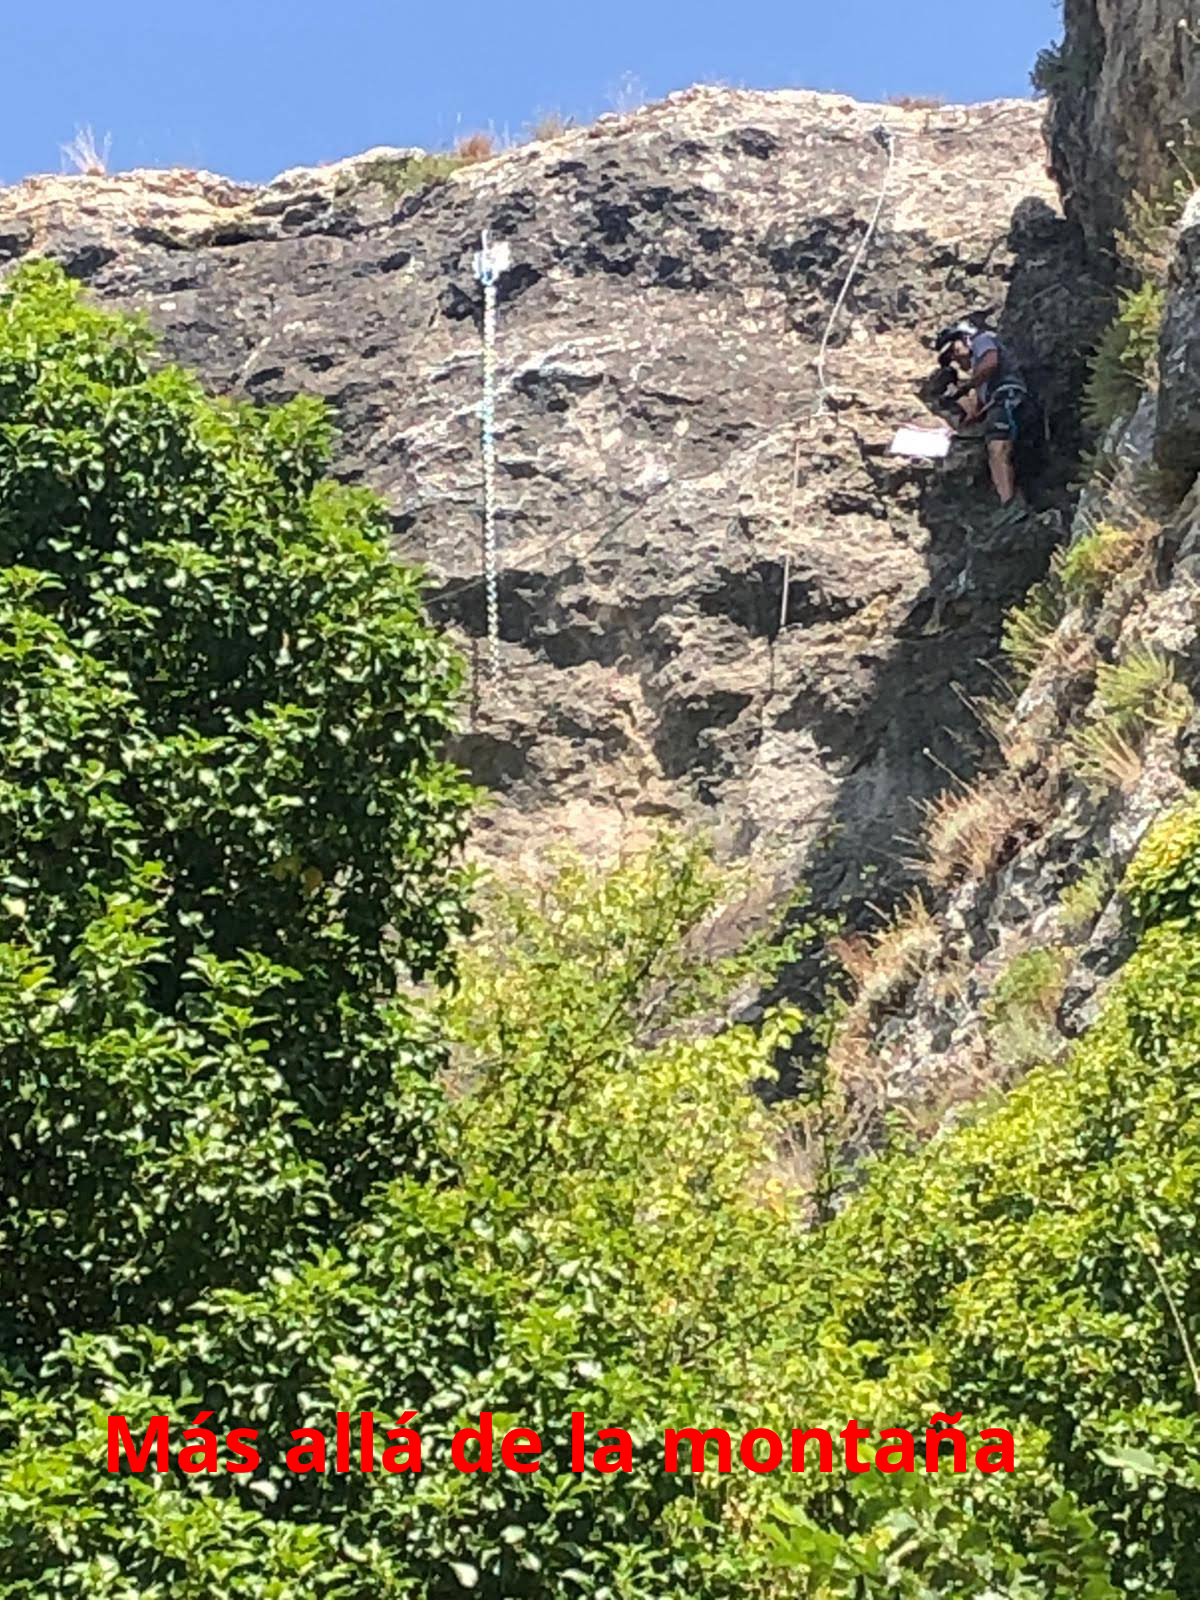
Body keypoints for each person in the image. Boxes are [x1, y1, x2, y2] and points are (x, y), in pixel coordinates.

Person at [935, 317, 1030, 526]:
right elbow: (976, 413)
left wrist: (967, 386)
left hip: (1008, 397)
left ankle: (1010, 504)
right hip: (1000, 403)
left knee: (998, 449)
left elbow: (991, 362)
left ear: (964, 338)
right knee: (995, 451)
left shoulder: (982, 340)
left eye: (953, 350)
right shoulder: (981, 383)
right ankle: (1008, 501)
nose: (955, 359)